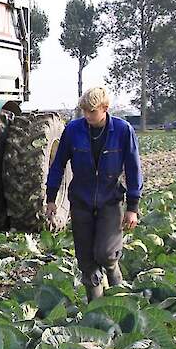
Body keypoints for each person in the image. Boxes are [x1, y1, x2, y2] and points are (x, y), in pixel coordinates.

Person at [45, 87, 143, 301]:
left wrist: (133, 207)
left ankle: (118, 289)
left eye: (92, 111)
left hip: (110, 200)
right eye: (84, 111)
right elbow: (58, 164)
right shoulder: (73, 130)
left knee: (106, 254)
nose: (87, 116)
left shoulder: (123, 130)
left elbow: (133, 168)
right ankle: (96, 308)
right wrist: (51, 198)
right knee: (86, 261)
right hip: (81, 199)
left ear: (105, 109)